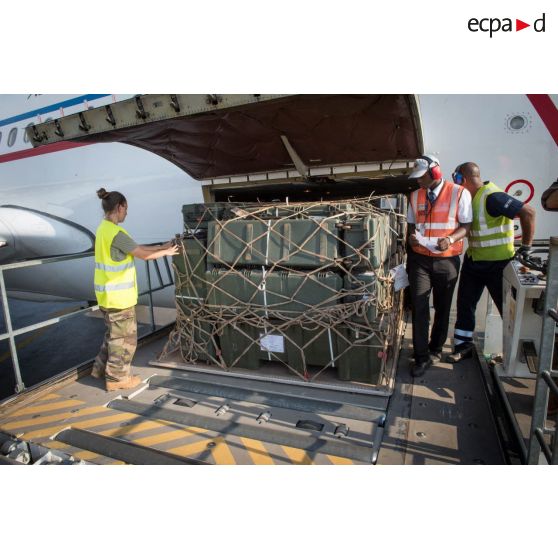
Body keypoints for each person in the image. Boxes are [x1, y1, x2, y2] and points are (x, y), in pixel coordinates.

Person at [91, 188, 179, 391]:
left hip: (106, 296)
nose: (127, 213)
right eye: (126, 209)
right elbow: (142, 255)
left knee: (113, 335)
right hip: (119, 299)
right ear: (119, 207)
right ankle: (117, 379)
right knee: (124, 340)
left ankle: (99, 369)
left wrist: (161, 247)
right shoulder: (116, 232)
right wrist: (167, 252)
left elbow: (135, 247)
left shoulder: (104, 229)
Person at [447, 162, 535, 363]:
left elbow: (528, 213)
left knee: (508, 311)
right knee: (465, 305)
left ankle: (514, 357)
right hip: (475, 262)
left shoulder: (492, 197)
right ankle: (463, 347)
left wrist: (526, 249)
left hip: (499, 265)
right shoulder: (472, 198)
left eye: (456, 179)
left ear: (463, 179)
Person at [407, 155, 472, 377]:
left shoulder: (459, 193)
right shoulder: (414, 196)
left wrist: (451, 239)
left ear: (434, 173)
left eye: (421, 177)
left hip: (447, 260)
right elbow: (410, 227)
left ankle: (435, 349)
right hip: (420, 260)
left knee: (442, 308)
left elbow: (466, 225)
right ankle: (421, 356)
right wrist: (412, 239)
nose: (418, 182)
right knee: (419, 306)